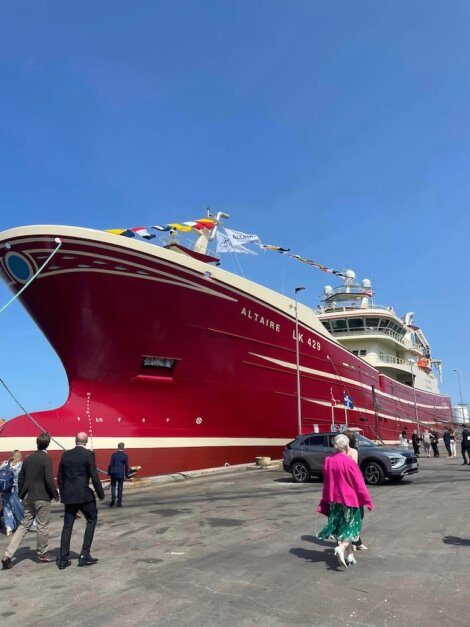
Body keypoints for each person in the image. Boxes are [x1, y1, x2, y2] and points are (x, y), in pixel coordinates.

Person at [1, 433, 58, 570]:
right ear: (48, 444)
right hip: (42, 497)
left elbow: (21, 478)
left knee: (23, 526)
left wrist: (22, 494)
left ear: (37, 443)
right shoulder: (46, 459)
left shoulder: (28, 459)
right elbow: (49, 480)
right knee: (42, 526)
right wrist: (55, 494)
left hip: (29, 497)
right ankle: (42, 554)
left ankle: (7, 555)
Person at [317, 434, 373, 569]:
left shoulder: (328, 460)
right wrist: (367, 500)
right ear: (347, 445)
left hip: (334, 500)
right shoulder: (349, 462)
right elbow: (359, 483)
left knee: (342, 526)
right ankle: (341, 548)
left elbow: (327, 481)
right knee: (353, 527)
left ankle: (350, 555)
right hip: (349, 499)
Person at [57, 432, 105, 569]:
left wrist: (63, 492)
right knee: (92, 519)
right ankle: (84, 555)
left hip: (69, 496)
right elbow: (94, 477)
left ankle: (63, 559)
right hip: (84, 495)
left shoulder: (66, 454)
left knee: (67, 526)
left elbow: (60, 476)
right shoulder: (89, 455)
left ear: (75, 440)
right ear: (86, 441)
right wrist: (101, 494)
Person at [344, 431, 368, 551]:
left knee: (349, 515)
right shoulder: (353, 452)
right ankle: (353, 542)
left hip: (343, 489)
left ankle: (353, 541)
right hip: (353, 488)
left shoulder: (337, 454)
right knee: (358, 515)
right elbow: (353, 470)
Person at [1, 450, 24, 535]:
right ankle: (22, 522)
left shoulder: (5, 463)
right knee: (18, 506)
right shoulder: (21, 465)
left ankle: (9, 527)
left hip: (4, 489)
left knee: (6, 508)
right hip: (15, 489)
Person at [107, 442, 130, 507]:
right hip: (120, 474)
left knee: (113, 486)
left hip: (113, 473)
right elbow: (126, 466)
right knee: (120, 488)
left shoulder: (113, 455)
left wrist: (109, 473)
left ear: (117, 447)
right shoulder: (125, 456)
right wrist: (127, 475)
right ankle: (119, 502)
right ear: (123, 448)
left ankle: (113, 497)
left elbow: (110, 465)